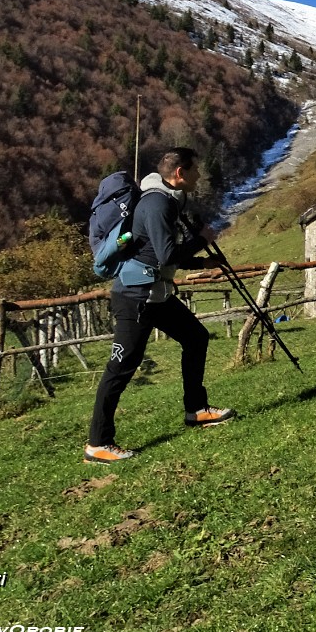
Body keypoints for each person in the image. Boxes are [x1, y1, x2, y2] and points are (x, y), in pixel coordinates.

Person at [85, 146, 235, 463]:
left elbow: (158, 254)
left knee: (196, 337)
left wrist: (200, 262)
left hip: (156, 294)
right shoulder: (157, 204)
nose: (199, 175)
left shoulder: (167, 200)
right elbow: (167, 254)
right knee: (121, 367)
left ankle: (196, 410)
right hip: (135, 296)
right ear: (180, 173)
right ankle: (98, 443)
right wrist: (203, 239)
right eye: (195, 169)